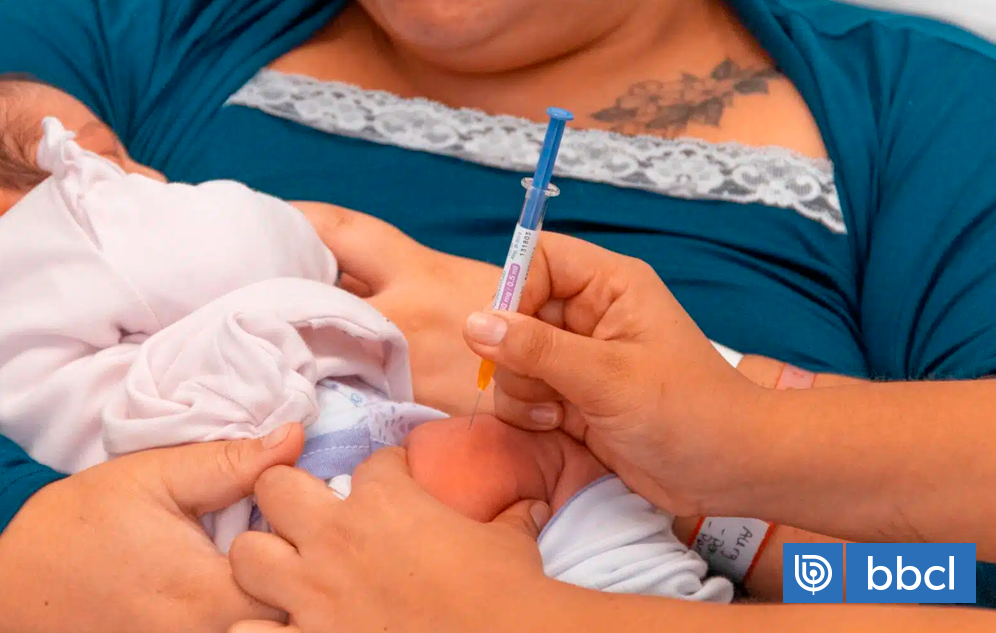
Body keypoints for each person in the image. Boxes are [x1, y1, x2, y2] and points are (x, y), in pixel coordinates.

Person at [0, 0, 996, 626]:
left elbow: (953, 587)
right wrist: (20, 551)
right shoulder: (135, 29)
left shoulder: (916, 115)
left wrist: (732, 456)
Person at [0, 75, 729, 601]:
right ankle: (647, 591)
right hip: (295, 478)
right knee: (526, 456)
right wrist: (310, 235)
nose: (147, 179)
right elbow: (249, 243)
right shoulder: (60, 242)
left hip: (215, 541)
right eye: (110, 159)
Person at [226, 229, 996, 633]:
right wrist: (742, 437)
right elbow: (944, 578)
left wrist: (531, 621)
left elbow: (956, 581)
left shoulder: (912, 116)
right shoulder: (183, 40)